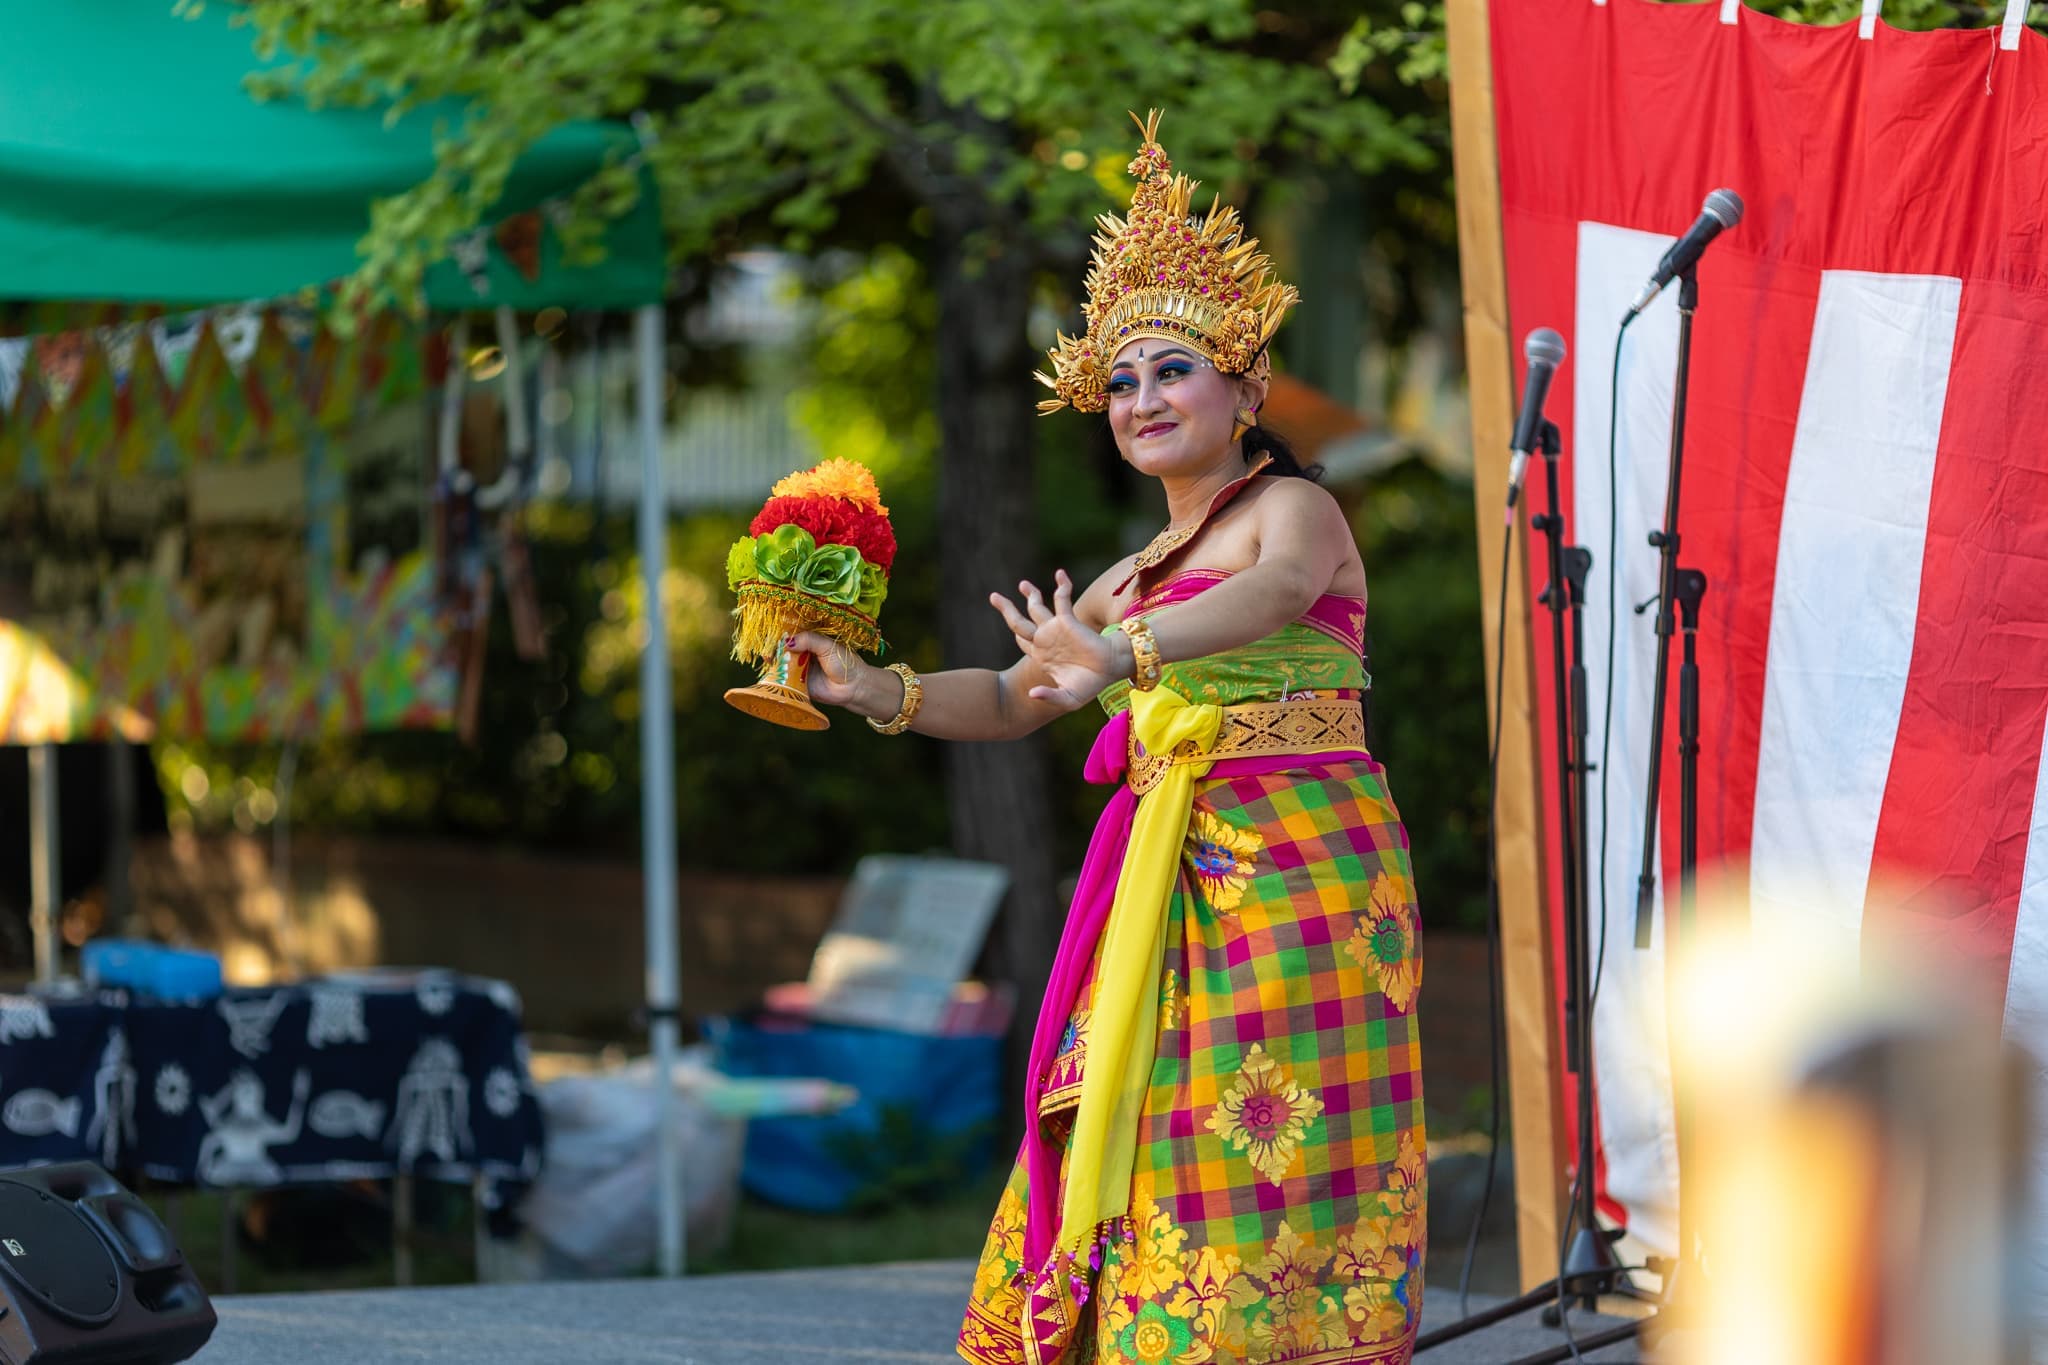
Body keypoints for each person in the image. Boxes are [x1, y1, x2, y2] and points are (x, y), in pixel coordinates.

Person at [794, 111, 1425, 1365]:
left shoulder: (1289, 510)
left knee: (1279, 1133)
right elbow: (1012, 698)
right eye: (1122, 382)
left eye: (1172, 370)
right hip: (1165, 877)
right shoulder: (1128, 576)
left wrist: (1123, 655)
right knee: (1151, 1123)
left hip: (1301, 872)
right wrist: (875, 691)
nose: (1142, 399)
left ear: (1244, 387)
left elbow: (1272, 597)